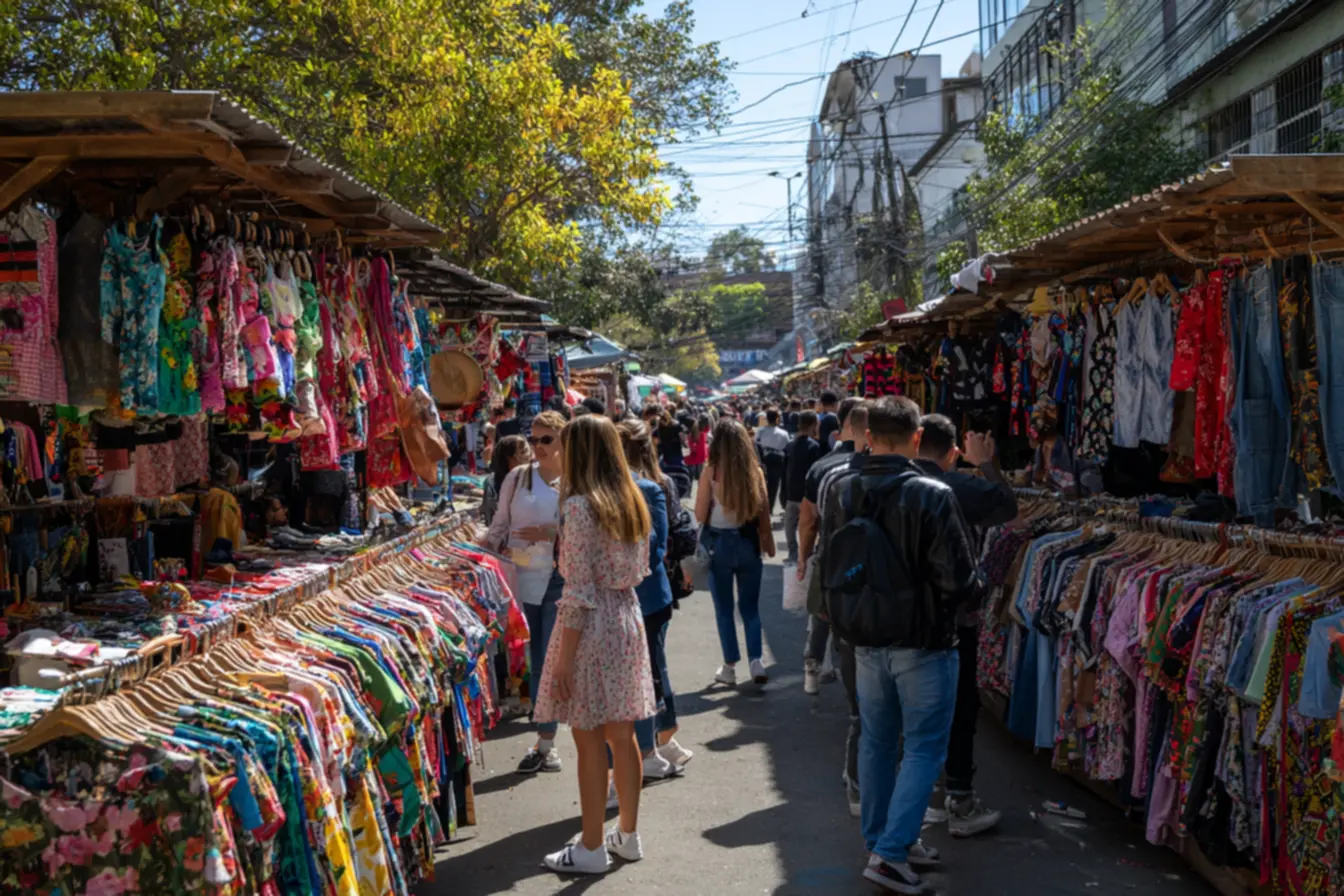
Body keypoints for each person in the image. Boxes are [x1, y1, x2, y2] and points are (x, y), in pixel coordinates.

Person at [828, 396, 982, 895]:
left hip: (864, 638)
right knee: (923, 748)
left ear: (868, 436)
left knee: (877, 741)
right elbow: (957, 579)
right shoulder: (932, 494)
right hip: (924, 641)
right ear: (917, 438)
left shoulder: (842, 488)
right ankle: (891, 852)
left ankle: (885, 841)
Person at [536, 415, 656, 875]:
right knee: (622, 736)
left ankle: (590, 847)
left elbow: (579, 591)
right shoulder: (630, 499)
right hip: (625, 616)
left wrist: (563, 660)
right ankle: (628, 835)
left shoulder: (581, 507)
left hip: (592, 626)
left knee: (588, 741)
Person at [911, 415, 1017, 838]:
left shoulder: (887, 483)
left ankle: (920, 801)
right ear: (953, 451)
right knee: (959, 708)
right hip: (954, 620)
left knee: (909, 713)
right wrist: (985, 463)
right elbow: (1007, 507)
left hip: (898, 620)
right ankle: (958, 796)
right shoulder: (958, 487)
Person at [483, 410, 568, 775]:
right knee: (531, 657)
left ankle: (546, 740)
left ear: (563, 440)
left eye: (546, 439)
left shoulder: (574, 480)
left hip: (558, 577)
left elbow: (586, 529)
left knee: (547, 658)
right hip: (518, 575)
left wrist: (550, 534)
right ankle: (544, 737)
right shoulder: (518, 477)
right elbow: (500, 523)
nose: (538, 446)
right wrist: (487, 553)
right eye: (533, 440)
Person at [797, 399, 868, 816]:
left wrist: (804, 558)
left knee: (838, 640)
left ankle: (814, 664)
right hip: (885, 601)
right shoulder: (915, 482)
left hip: (839, 580)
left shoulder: (825, 471)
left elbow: (810, 522)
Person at [620, 420, 694, 772]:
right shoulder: (657, 483)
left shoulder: (650, 486)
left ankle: (654, 746)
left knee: (643, 672)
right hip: (653, 593)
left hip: (642, 594)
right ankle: (661, 741)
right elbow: (665, 544)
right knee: (652, 667)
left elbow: (658, 547)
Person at [695, 419, 777, 687]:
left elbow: (699, 514)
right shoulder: (755, 472)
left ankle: (729, 666)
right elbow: (764, 513)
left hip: (718, 545)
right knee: (750, 608)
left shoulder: (711, 472)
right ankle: (756, 661)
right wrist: (768, 544)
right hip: (748, 543)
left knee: (724, 609)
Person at [781, 410, 823, 565]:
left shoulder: (790, 445)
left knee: (790, 525)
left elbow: (784, 471)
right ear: (813, 425)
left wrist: (783, 493)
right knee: (808, 526)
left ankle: (793, 553)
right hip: (806, 495)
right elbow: (815, 473)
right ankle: (805, 555)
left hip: (791, 492)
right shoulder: (814, 446)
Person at [481, 434, 531, 526]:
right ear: (510, 459)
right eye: (523, 452)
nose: (529, 457)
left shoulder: (532, 479)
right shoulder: (493, 483)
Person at [685, 413, 710, 490]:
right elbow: (708, 428)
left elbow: (691, 445)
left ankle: (688, 492)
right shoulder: (702, 433)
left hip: (692, 458)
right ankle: (700, 491)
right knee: (700, 478)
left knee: (690, 478)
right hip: (700, 458)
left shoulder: (694, 431)